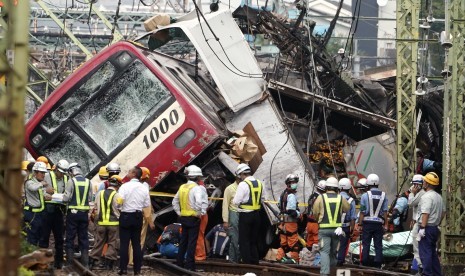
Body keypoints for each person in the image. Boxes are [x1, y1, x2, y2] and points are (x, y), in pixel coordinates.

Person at [117, 166, 154, 275]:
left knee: (124, 243)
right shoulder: (144, 188)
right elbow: (146, 204)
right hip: (138, 217)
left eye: (129, 171)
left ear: (134, 173)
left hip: (125, 216)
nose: (127, 172)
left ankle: (123, 269)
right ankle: (137, 270)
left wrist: (120, 206)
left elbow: (119, 201)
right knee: (136, 243)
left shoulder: (124, 186)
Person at [172, 165, 208, 271]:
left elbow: (174, 201)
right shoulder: (196, 188)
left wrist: (179, 213)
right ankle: (189, 266)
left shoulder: (182, 187)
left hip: (183, 218)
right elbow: (198, 202)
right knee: (192, 242)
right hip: (193, 218)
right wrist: (199, 213)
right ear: (197, 177)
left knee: (183, 241)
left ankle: (179, 263)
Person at [313, 177, 349, 276]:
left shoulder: (321, 197)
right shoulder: (340, 198)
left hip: (324, 229)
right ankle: (333, 272)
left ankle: (324, 273)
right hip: (337, 230)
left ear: (326, 187)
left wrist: (318, 219)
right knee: (333, 252)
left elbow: (315, 211)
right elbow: (347, 208)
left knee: (324, 252)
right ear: (337, 188)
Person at [39, 159, 69, 269]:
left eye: (63, 173)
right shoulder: (47, 175)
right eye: (60, 172)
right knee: (44, 237)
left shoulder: (66, 178)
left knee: (59, 238)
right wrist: (45, 192)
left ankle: (58, 263)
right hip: (47, 210)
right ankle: (43, 262)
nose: (61, 175)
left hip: (59, 210)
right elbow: (38, 188)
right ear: (56, 169)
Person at [232, 163, 265, 265]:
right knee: (253, 240)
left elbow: (236, 201)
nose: (240, 177)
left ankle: (246, 263)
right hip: (257, 216)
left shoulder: (243, 184)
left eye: (240, 175)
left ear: (242, 174)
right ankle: (255, 261)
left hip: (246, 216)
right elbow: (263, 198)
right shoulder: (260, 183)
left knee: (244, 240)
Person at [89, 175, 123, 271]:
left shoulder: (99, 193)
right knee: (113, 243)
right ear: (118, 185)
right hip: (113, 224)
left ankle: (91, 262)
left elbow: (94, 207)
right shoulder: (118, 196)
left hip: (100, 223)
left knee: (98, 243)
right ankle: (108, 265)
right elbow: (120, 208)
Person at [63, 163, 92, 268]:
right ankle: (85, 264)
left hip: (73, 213)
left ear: (71, 171)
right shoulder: (88, 182)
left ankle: (69, 263)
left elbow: (66, 198)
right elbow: (89, 198)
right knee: (83, 237)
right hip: (84, 213)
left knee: (70, 237)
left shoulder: (71, 181)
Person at [358, 173, 389, 268]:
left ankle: (364, 261)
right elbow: (385, 212)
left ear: (368, 183)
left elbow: (362, 212)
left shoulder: (364, 196)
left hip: (367, 223)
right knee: (378, 244)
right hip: (378, 224)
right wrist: (386, 224)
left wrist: (359, 224)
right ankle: (378, 262)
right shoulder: (384, 195)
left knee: (366, 243)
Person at [417, 172, 445, 276]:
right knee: (432, 253)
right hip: (434, 228)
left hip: (427, 228)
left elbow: (425, 213)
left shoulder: (427, 197)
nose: (423, 182)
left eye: (425, 181)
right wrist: (437, 222)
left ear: (428, 184)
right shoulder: (439, 197)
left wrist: (422, 228)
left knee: (425, 252)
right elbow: (444, 212)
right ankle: (437, 274)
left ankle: (427, 274)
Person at [128, 167, 154, 266]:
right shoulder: (144, 187)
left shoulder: (130, 185)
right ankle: (134, 261)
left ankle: (130, 259)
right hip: (141, 216)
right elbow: (146, 207)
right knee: (139, 239)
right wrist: (150, 221)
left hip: (130, 215)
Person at [23, 161, 52, 246]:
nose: (43, 175)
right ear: (35, 172)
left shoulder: (38, 184)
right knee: (32, 237)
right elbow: (33, 188)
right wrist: (42, 184)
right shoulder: (29, 182)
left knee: (40, 236)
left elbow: (41, 193)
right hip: (32, 214)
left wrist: (48, 196)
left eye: (44, 173)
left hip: (40, 214)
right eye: (41, 172)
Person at [276, 174, 301, 264]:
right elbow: (291, 212)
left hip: (283, 223)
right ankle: (295, 261)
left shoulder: (283, 194)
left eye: (295, 182)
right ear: (288, 184)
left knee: (284, 243)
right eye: (293, 182)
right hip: (290, 224)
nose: (295, 184)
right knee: (294, 244)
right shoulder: (291, 196)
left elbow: (279, 205)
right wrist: (299, 214)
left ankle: (279, 257)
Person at [408, 174, 426, 274]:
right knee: (417, 248)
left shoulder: (421, 194)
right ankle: (416, 268)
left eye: (415, 185)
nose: (413, 187)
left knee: (417, 248)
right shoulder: (420, 193)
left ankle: (419, 269)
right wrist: (413, 219)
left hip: (419, 225)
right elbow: (416, 209)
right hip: (417, 222)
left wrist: (411, 193)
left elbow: (411, 203)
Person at [337, 177, 356, 266]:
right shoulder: (351, 200)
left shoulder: (334, 198)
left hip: (334, 226)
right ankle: (340, 262)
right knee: (343, 245)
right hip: (345, 227)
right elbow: (352, 218)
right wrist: (352, 229)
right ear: (349, 188)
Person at [222, 176, 241, 263]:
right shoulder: (229, 189)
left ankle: (235, 258)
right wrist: (225, 220)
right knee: (234, 237)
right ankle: (233, 259)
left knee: (240, 238)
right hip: (233, 213)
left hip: (243, 214)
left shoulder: (245, 187)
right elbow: (225, 204)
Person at [305, 179, 326, 250]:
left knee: (309, 241)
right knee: (317, 241)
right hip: (316, 223)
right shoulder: (321, 198)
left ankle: (308, 257)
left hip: (309, 223)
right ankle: (316, 259)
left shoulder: (312, 196)